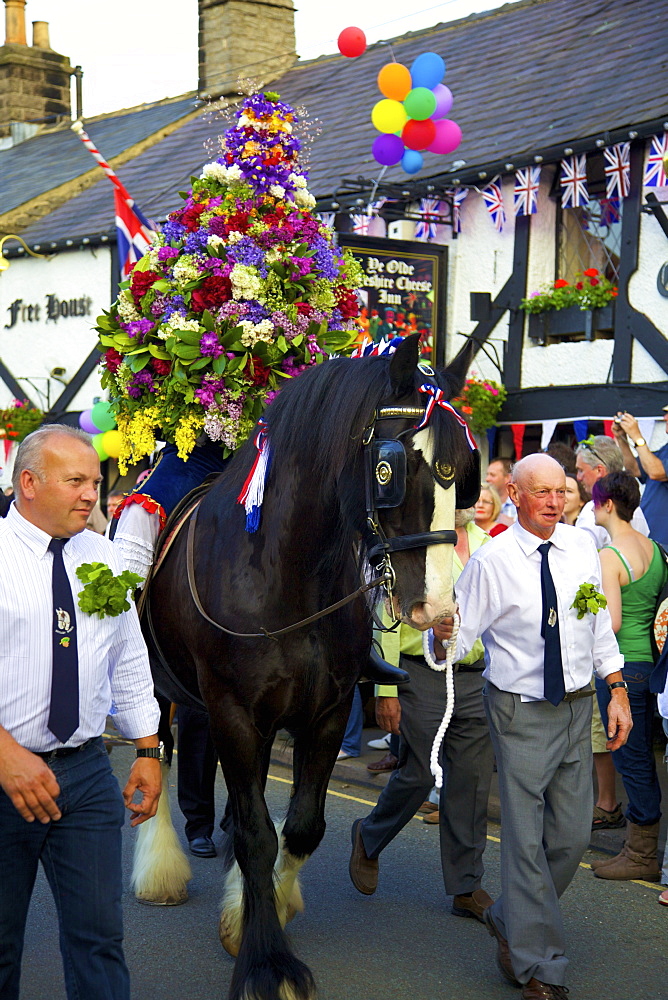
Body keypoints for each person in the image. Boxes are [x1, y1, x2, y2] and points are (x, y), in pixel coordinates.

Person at [432, 454, 631, 1000]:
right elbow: (457, 637)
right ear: (515, 496)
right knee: (524, 843)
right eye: (539, 492)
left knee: (572, 838)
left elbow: (595, 626)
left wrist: (616, 689)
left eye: (559, 492)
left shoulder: (581, 548)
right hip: (518, 711)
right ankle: (540, 966)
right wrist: (438, 631)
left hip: (578, 705)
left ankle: (512, 919)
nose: (552, 501)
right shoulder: (492, 562)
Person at [0, 425, 161, 1000]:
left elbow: (127, 657)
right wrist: (6, 756)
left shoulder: (104, 553)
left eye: (96, 480)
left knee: (99, 941)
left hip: (88, 774)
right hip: (4, 778)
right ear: (28, 483)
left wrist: (146, 748)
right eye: (76, 481)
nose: (92, 493)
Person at [349, 507, 495, 923]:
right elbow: (388, 615)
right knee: (419, 775)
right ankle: (369, 835)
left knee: (470, 783)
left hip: (475, 677)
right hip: (419, 676)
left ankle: (466, 887)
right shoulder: (415, 544)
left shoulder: (489, 544)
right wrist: (387, 688)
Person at [589, 472, 667, 880]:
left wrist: (583, 609)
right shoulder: (655, 549)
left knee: (631, 760)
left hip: (621, 668)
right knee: (643, 760)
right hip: (651, 669)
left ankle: (641, 856)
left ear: (604, 504)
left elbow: (612, 620)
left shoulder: (609, 555)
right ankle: (640, 850)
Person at [575, 435, 649, 546]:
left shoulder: (595, 508)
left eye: (581, 470)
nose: (578, 477)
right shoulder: (635, 508)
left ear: (599, 470)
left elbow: (581, 554)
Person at [612, 406, 668, 548]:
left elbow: (655, 471)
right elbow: (634, 470)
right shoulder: (665, 449)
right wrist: (622, 438)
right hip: (653, 541)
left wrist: (637, 436)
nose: (664, 418)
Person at [485, 457, 516, 522]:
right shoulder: (481, 504)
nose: (487, 479)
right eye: (487, 474)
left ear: (507, 478)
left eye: (492, 475)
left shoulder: (519, 505)